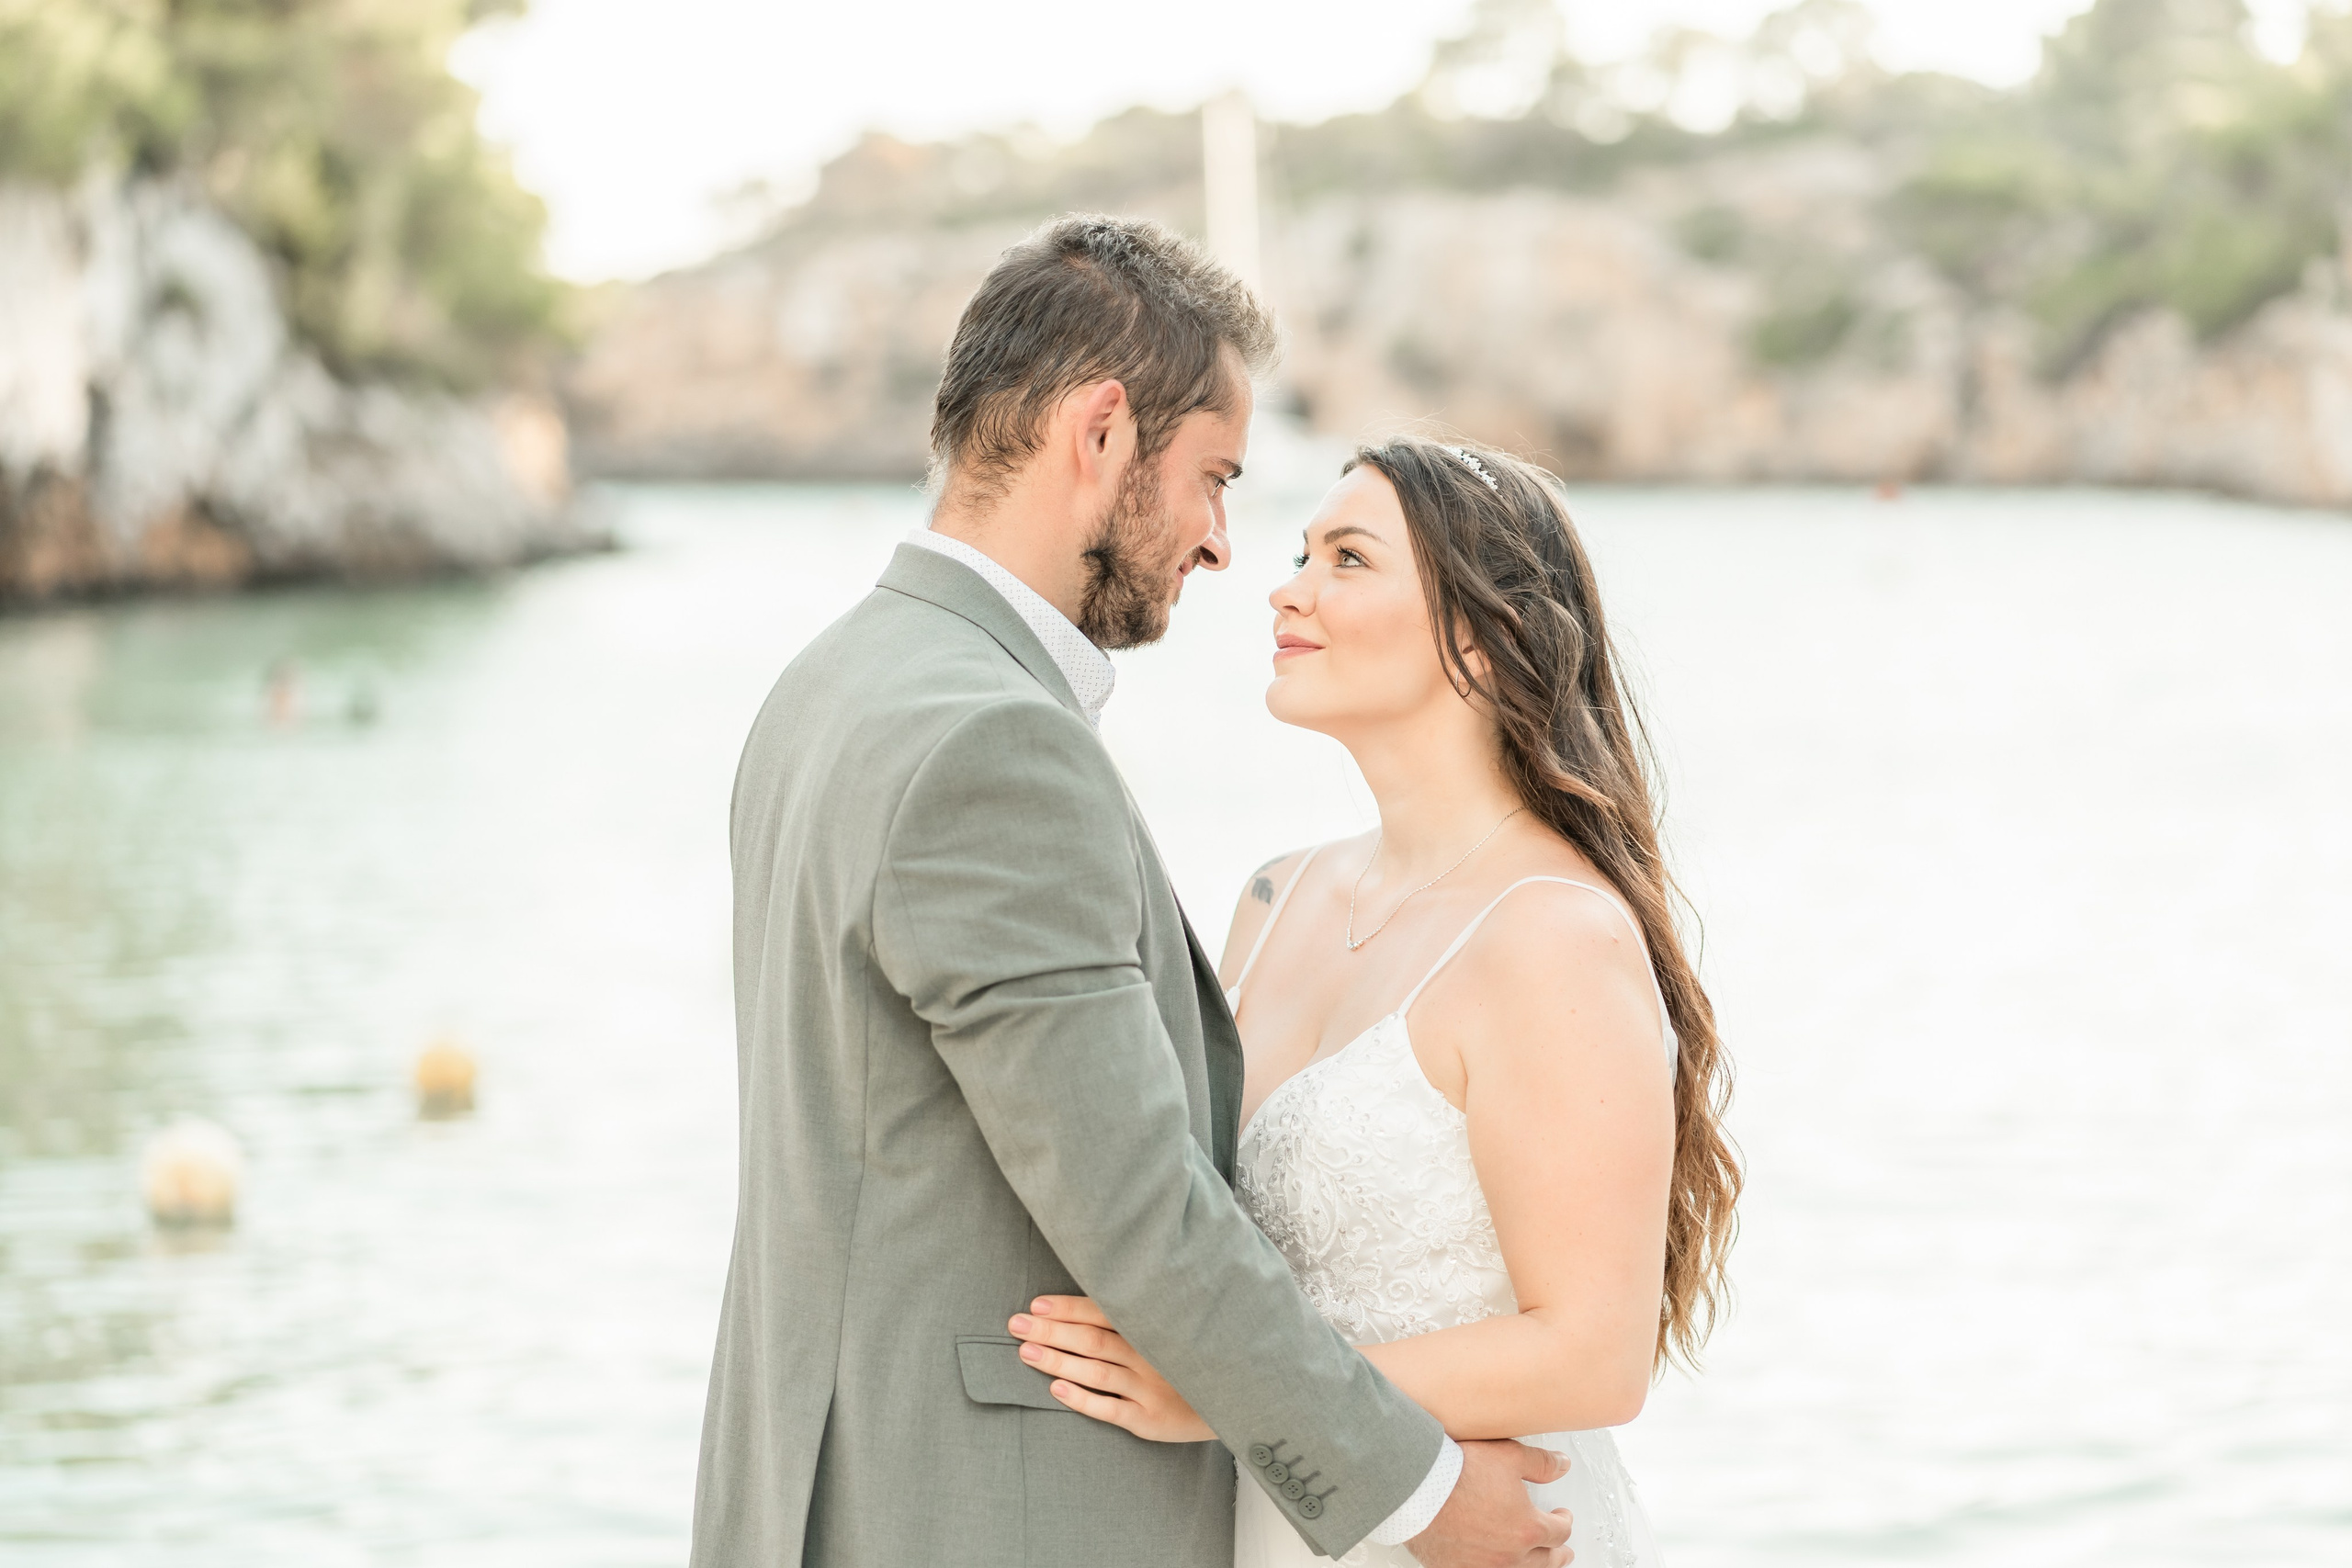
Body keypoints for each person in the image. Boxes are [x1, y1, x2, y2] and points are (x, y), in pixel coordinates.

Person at [691, 218, 1574, 1568]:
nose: (1223, 544)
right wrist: (1420, 1493)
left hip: (819, 1488)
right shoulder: (997, 741)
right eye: (1213, 477)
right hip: (981, 1514)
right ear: (1101, 432)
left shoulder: (829, 686)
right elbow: (1137, 1208)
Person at [1009, 438, 1743, 1567]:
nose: (1286, 586)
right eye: (1303, 551)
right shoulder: (1276, 893)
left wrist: (1221, 1387)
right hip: (1277, 1513)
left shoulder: (1551, 935)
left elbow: (1595, 1354)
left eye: (1348, 559)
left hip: (1466, 1527)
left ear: (1479, 640)